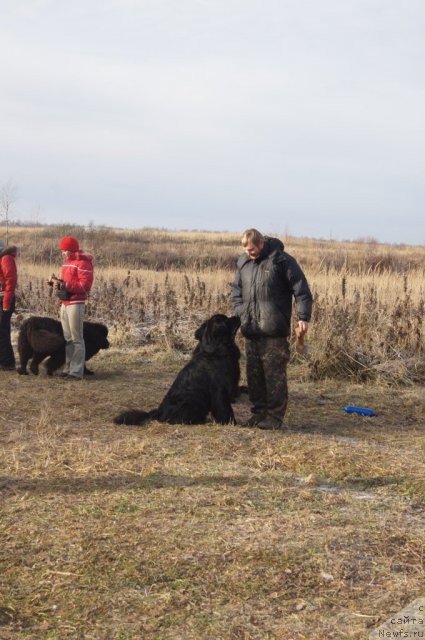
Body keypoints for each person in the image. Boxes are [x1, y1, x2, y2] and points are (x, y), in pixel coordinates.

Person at [231, 228, 313, 430]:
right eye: (245, 250)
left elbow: (301, 290)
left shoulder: (282, 260)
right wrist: (241, 312)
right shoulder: (243, 263)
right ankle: (258, 414)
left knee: (274, 377)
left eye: (252, 249)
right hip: (250, 330)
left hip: (274, 331)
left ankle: (274, 418)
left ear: (260, 244)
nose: (249, 253)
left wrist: (303, 317)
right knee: (254, 376)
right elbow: (236, 291)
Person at [49, 236, 94, 380]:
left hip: (76, 303)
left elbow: (85, 285)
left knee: (77, 339)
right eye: (62, 251)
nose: (62, 253)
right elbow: (66, 283)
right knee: (68, 338)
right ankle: (68, 368)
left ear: (71, 250)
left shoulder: (84, 263)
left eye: (64, 250)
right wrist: (56, 283)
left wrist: (65, 285)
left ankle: (76, 372)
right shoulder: (67, 263)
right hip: (65, 302)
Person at [0, 240, 18, 371]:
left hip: (4, 299)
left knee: (2, 330)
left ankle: (7, 362)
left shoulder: (6, 258)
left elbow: (10, 281)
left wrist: (6, 302)